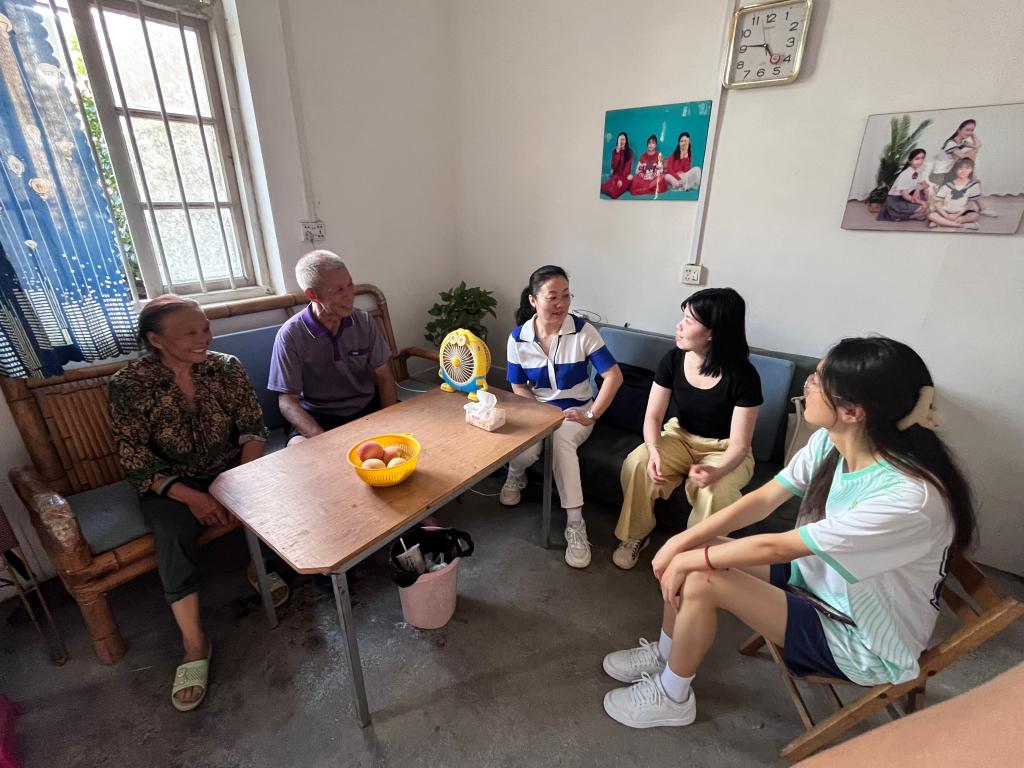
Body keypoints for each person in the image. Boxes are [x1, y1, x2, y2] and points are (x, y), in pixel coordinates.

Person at [600, 337, 975, 733]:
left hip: (859, 638)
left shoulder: (908, 498)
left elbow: (778, 546)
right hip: (817, 581)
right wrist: (683, 542)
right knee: (693, 552)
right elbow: (764, 499)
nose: (808, 383)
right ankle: (667, 653)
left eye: (819, 379)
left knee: (702, 577)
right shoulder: (831, 442)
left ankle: (673, 696)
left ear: (853, 412)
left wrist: (690, 555)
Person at [109, 295, 280, 712]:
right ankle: (194, 643)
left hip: (229, 466)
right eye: (190, 332)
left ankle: (257, 565)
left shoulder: (226, 367)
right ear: (156, 339)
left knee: (272, 491)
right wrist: (193, 496)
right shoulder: (128, 385)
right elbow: (134, 456)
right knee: (172, 531)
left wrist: (234, 482)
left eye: (205, 327)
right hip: (170, 482)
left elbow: (253, 428)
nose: (205, 337)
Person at [612, 288, 762, 570]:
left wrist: (716, 471)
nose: (679, 326)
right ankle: (635, 534)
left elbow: (740, 444)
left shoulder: (744, 376)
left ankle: (694, 557)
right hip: (680, 435)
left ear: (713, 333)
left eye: (689, 321)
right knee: (638, 462)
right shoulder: (673, 359)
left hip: (724, 448)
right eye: (683, 318)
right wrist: (654, 450)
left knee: (716, 491)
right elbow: (653, 417)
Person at [502, 265, 623, 568]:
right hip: (537, 409)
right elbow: (518, 385)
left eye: (566, 295)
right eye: (552, 297)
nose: (561, 304)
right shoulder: (518, 338)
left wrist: (591, 413)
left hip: (575, 412)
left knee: (560, 441)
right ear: (533, 301)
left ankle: (575, 524)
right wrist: (538, 412)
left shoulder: (582, 331)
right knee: (524, 449)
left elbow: (614, 376)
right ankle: (515, 474)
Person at [269, 250, 397, 445]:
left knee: (412, 432)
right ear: (312, 294)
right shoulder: (291, 336)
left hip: (366, 407)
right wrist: (323, 440)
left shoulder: (363, 321)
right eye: (338, 290)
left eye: (350, 285)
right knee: (298, 449)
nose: (349, 296)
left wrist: (390, 421)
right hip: (319, 416)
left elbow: (384, 376)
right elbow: (287, 402)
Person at [928, 158, 981, 231]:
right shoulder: (948, 184)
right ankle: (962, 225)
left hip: (961, 212)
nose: (964, 171)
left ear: (971, 169)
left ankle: (943, 222)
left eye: (967, 168)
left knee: (975, 215)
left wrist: (957, 214)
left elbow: (970, 203)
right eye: (960, 168)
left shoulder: (973, 184)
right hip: (946, 211)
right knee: (931, 215)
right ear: (955, 169)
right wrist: (946, 215)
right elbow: (938, 203)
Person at [876, 148, 929, 222]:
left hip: (904, 199)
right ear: (910, 161)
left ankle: (912, 215)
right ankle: (902, 215)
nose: (920, 161)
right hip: (895, 201)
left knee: (926, 207)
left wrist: (918, 189)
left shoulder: (917, 171)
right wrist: (921, 202)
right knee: (923, 207)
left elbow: (926, 184)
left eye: (922, 158)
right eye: (917, 159)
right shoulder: (906, 174)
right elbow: (905, 196)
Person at [601, 132, 634, 199]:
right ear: (618, 141)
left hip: (625, 177)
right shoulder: (614, 151)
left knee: (614, 194)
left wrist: (621, 180)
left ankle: (624, 185)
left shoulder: (630, 152)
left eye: (623, 139)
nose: (621, 141)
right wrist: (618, 152)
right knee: (603, 188)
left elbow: (627, 169)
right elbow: (614, 166)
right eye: (620, 140)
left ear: (626, 141)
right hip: (615, 176)